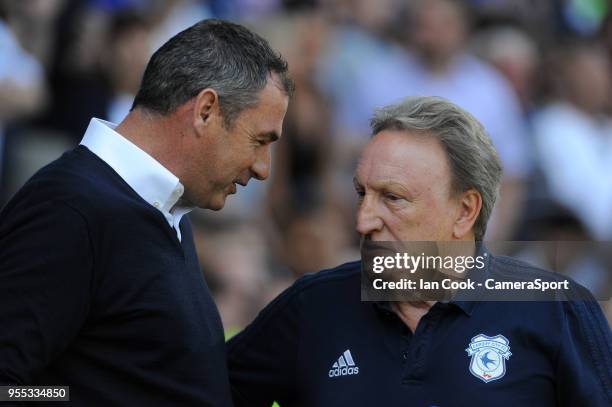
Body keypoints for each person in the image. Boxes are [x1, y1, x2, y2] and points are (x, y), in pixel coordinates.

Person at [227, 97, 612, 406]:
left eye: (392, 198)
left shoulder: (556, 311)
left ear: (465, 212)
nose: (363, 221)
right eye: (362, 194)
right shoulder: (312, 308)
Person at [0, 19, 292, 406]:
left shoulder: (169, 216)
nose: (263, 167)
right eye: (259, 140)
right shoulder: (69, 207)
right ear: (205, 110)